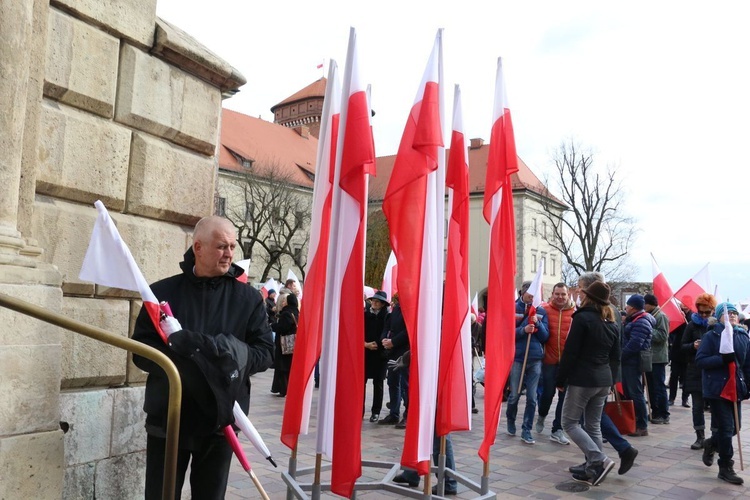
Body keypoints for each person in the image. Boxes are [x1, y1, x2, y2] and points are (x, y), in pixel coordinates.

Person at [132, 216, 274, 499]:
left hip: (221, 420)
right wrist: (185, 365)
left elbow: (265, 353)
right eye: (222, 246)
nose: (229, 253)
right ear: (198, 247)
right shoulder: (161, 293)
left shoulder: (247, 299)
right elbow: (141, 351)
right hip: (170, 417)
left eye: (232, 246)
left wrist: (225, 354)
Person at [556, 281, 621, 486]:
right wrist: (611, 381)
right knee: (592, 425)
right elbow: (616, 357)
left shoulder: (583, 318)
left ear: (588, 297)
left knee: (569, 423)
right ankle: (594, 467)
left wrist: (560, 378)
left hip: (583, 379)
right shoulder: (611, 323)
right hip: (603, 380)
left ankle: (599, 459)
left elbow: (571, 352)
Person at [696, 302, 750, 485]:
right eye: (728, 313)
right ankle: (725, 466)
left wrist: (747, 385)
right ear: (719, 317)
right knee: (727, 428)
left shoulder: (742, 335)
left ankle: (711, 443)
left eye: (735, 313)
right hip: (717, 388)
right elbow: (701, 360)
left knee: (735, 428)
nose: (732, 316)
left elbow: (747, 364)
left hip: (736, 388)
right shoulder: (711, 336)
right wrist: (721, 359)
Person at [507, 281, 549, 445]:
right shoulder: (513, 308)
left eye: (535, 294)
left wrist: (537, 323)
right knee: (514, 395)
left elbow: (545, 336)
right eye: (530, 294)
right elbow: (507, 332)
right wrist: (523, 330)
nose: (532, 297)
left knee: (532, 397)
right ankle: (511, 418)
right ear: (523, 293)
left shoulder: (541, 311)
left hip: (535, 358)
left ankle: (526, 429)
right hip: (518, 357)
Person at [537, 282, 575, 445]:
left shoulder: (575, 312)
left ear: (568, 295)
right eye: (557, 294)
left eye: (563, 294)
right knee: (547, 394)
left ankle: (557, 429)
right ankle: (542, 414)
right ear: (552, 294)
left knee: (564, 397)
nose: (560, 297)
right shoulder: (544, 310)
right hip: (549, 361)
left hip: (567, 364)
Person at [681, 293, 717, 450]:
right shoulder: (692, 325)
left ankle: (715, 438)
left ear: (713, 310)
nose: (703, 315)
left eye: (706, 312)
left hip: (714, 372)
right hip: (695, 370)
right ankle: (700, 436)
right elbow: (681, 346)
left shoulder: (717, 325)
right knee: (697, 406)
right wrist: (692, 346)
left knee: (716, 407)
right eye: (700, 311)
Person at [621, 294, 655, 437]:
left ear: (633, 307)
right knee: (631, 392)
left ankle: (641, 425)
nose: (626, 307)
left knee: (635, 393)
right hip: (630, 361)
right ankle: (634, 422)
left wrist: (620, 355)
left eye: (628, 305)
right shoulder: (636, 319)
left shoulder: (641, 322)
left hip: (632, 362)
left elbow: (635, 344)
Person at [379, 294, 409, 428]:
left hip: (405, 352)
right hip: (392, 351)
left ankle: (408, 415)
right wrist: (384, 339)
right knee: (392, 382)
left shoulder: (410, 308)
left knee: (405, 384)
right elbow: (387, 325)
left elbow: (409, 330)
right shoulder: (396, 308)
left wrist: (393, 341)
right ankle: (393, 413)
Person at [644, 293, 671, 424]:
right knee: (651, 386)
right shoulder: (651, 316)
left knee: (659, 386)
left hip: (658, 357)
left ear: (650, 304)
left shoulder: (661, 316)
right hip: (650, 356)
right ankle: (655, 411)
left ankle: (663, 413)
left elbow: (662, 336)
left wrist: (647, 329)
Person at [364, 290, 389, 422]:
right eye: (373, 300)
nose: (374, 303)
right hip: (366, 352)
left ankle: (376, 412)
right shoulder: (365, 315)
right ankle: (359, 410)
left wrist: (379, 344)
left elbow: (388, 333)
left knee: (378, 383)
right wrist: (365, 344)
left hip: (380, 354)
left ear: (383, 304)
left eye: (377, 301)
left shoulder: (387, 317)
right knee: (361, 382)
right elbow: (358, 331)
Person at [271, 292, 299, 397]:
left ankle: (283, 389)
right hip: (292, 344)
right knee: (288, 367)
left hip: (285, 344)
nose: (283, 303)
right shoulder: (296, 312)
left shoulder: (287, 313)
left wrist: (273, 326)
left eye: (284, 301)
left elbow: (283, 327)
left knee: (282, 367)